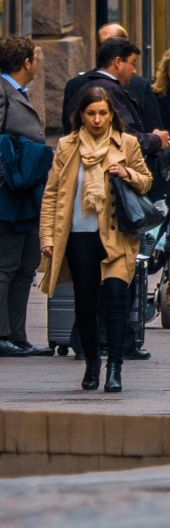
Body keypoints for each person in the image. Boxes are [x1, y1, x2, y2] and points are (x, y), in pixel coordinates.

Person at [37, 86, 152, 393]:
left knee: (116, 301)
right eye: (91, 113)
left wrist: (126, 172)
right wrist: (47, 236)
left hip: (116, 237)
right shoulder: (67, 146)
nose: (98, 120)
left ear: (111, 113)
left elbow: (146, 181)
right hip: (78, 237)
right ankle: (91, 363)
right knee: (85, 306)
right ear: (81, 115)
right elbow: (52, 194)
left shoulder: (126, 143)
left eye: (103, 113)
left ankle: (115, 367)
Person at [0, 35, 50, 357]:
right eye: (36, 58)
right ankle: (3, 335)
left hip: (28, 193)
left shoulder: (20, 93)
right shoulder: (3, 92)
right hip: (8, 195)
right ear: (26, 62)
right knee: (5, 265)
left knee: (25, 265)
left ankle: (19, 336)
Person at [63, 38, 167, 158]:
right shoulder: (108, 90)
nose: (134, 71)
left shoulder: (89, 86)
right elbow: (124, 138)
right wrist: (156, 140)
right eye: (133, 63)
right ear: (117, 62)